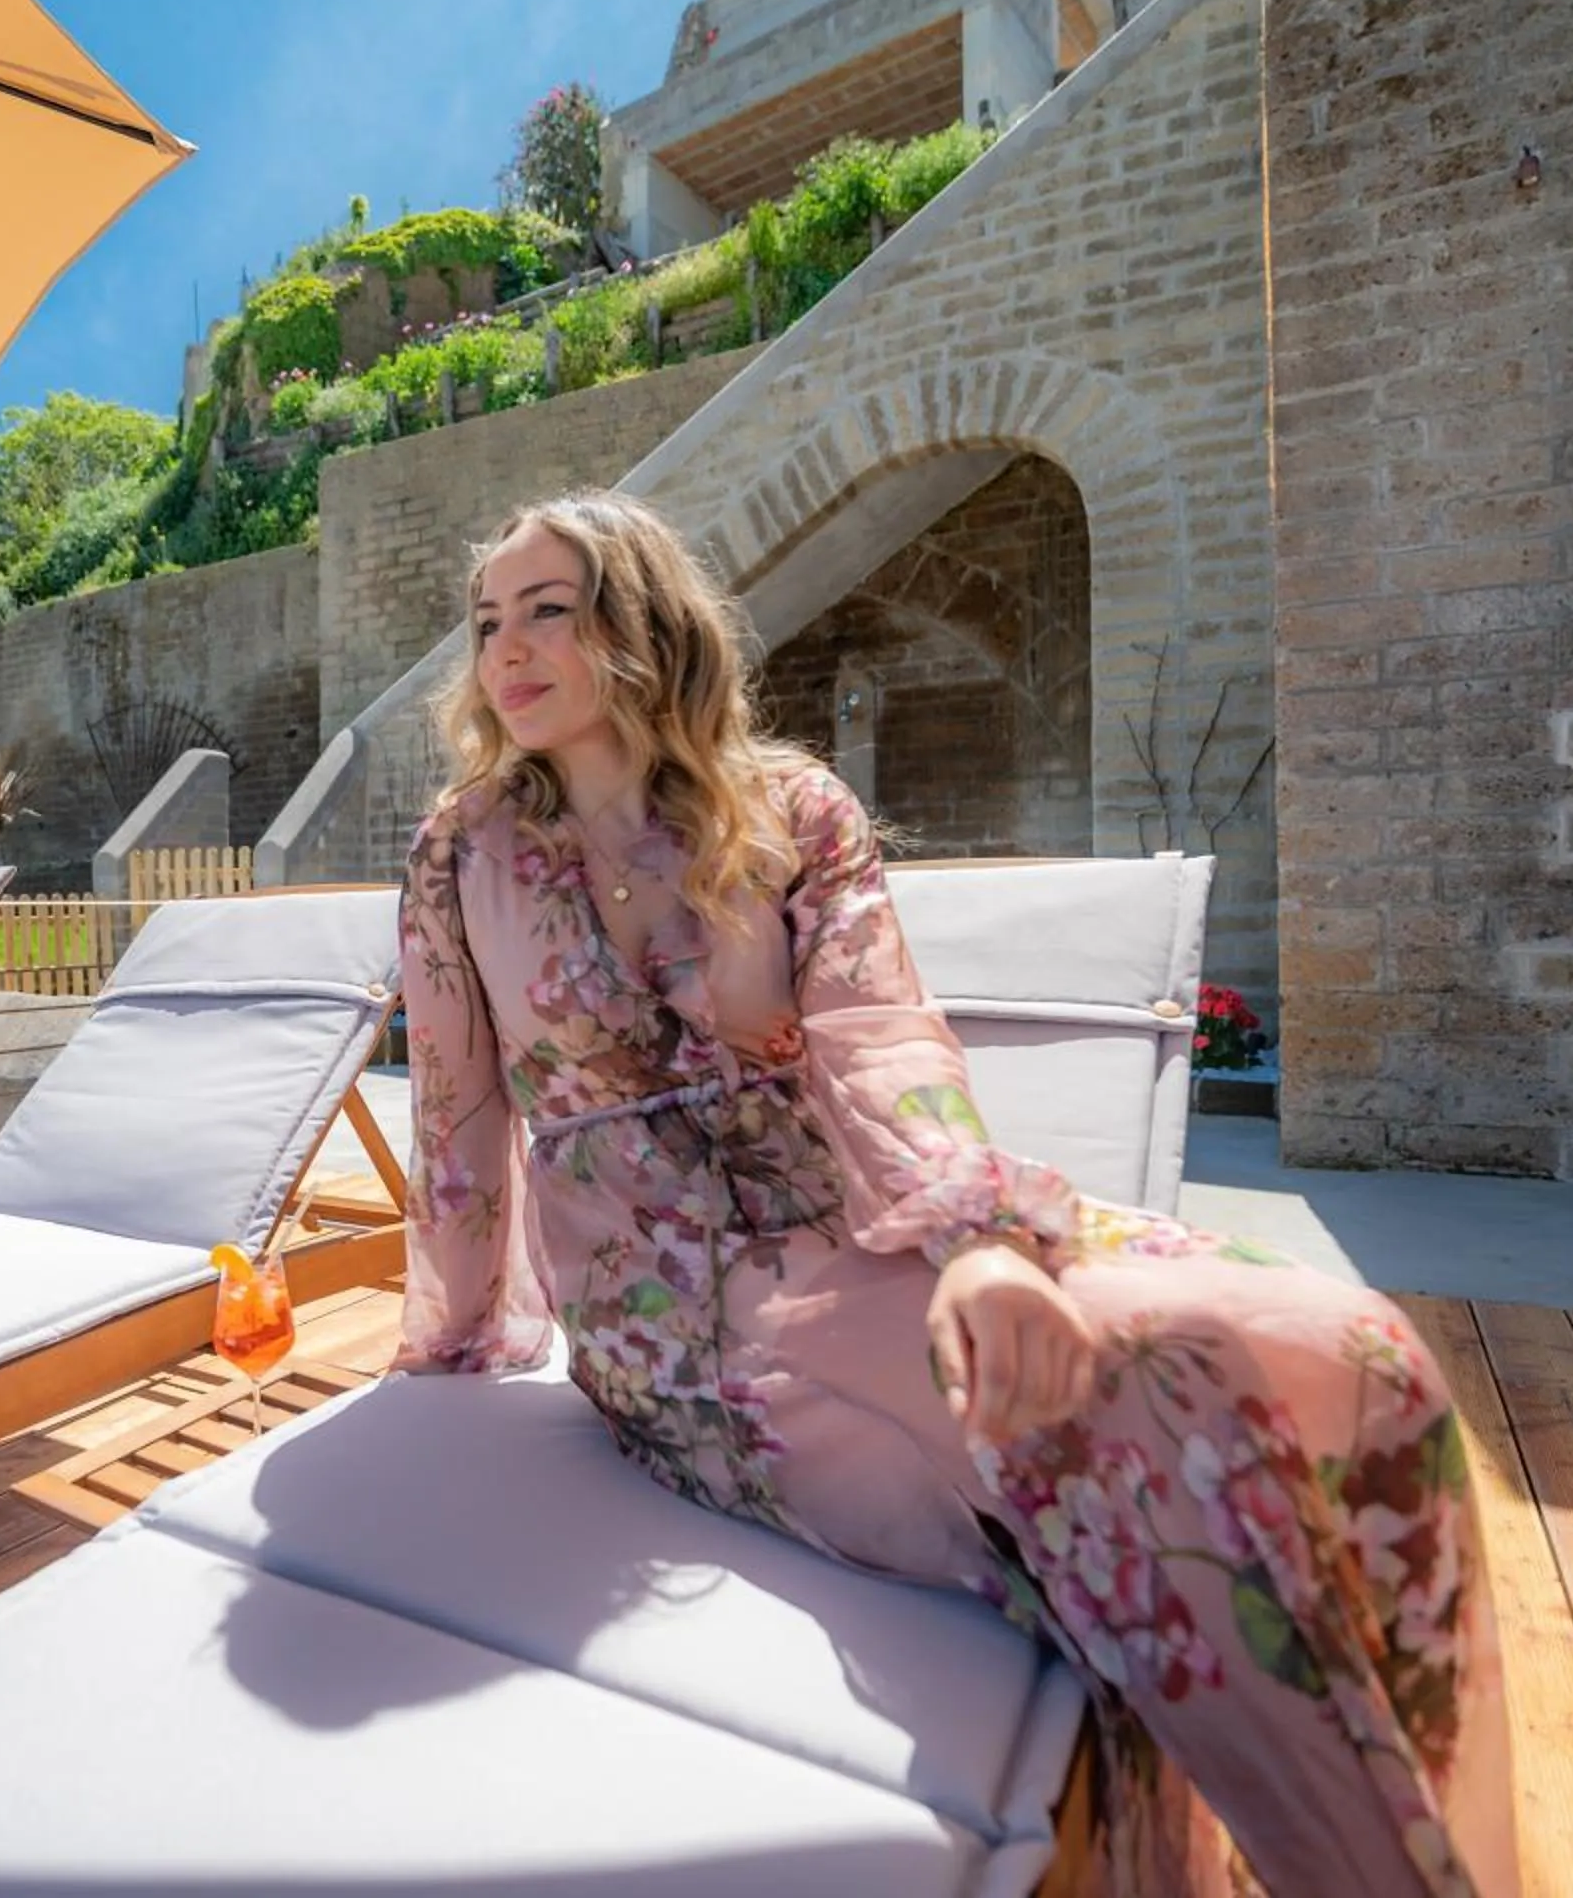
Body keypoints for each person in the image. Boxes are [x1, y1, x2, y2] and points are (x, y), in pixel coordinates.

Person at [391, 489, 1515, 1898]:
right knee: (1151, 1404)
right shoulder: (461, 851)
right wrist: (452, 1346)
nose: (506, 648)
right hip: (675, 1316)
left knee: (1353, 1345)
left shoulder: (790, 811)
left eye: (548, 610)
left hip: (876, 1222)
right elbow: (456, 1118)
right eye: (487, 622)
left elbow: (878, 1037)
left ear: (644, 622)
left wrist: (981, 1243)